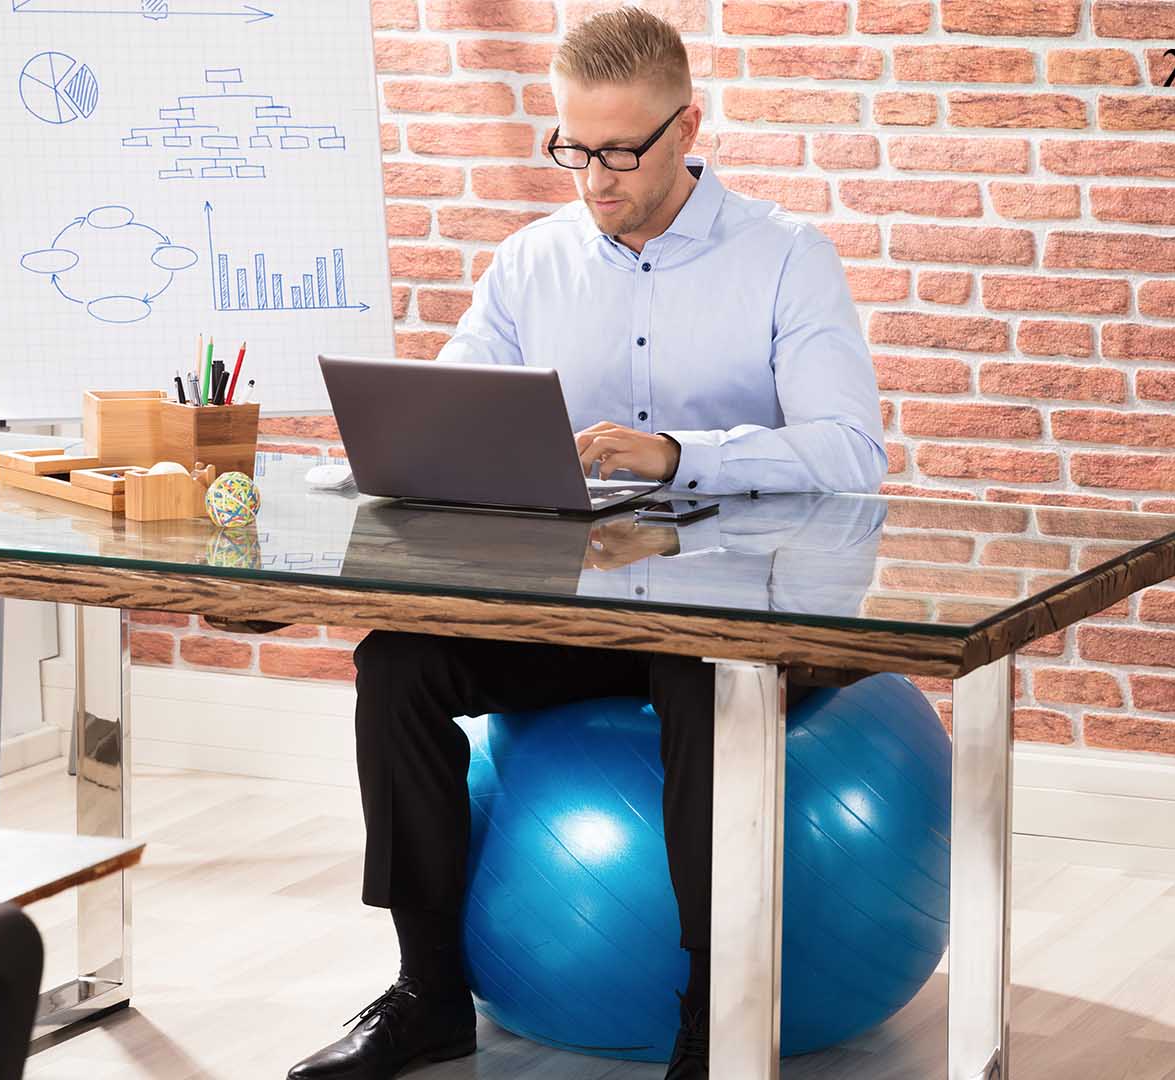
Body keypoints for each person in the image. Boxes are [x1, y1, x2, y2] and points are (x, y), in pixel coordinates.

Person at [285, 8, 885, 1079]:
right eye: (573, 148)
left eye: (621, 150)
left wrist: (674, 455)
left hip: (737, 615)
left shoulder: (787, 257)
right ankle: (428, 992)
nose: (595, 178)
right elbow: (450, 417)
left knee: (700, 679)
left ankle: (715, 1019)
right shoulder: (530, 264)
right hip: (576, 614)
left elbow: (850, 454)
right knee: (399, 662)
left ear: (686, 125)